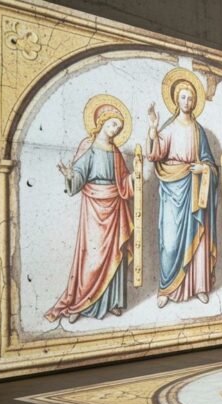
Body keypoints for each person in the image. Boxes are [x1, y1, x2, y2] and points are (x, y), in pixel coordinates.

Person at [46, 97, 134, 324]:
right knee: (91, 257)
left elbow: (124, 181)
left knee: (114, 254)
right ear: (102, 122)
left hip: (115, 207)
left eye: (118, 128)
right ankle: (80, 303)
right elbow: (78, 179)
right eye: (113, 124)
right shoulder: (88, 147)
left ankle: (113, 302)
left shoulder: (116, 152)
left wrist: (134, 177)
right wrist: (70, 175)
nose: (115, 130)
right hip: (94, 209)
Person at [147, 71, 218, 307]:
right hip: (172, 190)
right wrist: (153, 129)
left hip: (195, 189)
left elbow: (210, 163)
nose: (187, 102)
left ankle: (199, 287)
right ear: (177, 100)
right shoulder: (168, 129)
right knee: (170, 243)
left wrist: (204, 168)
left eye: (190, 98)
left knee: (198, 239)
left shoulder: (199, 131)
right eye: (183, 97)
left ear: (194, 102)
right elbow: (155, 154)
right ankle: (166, 289)